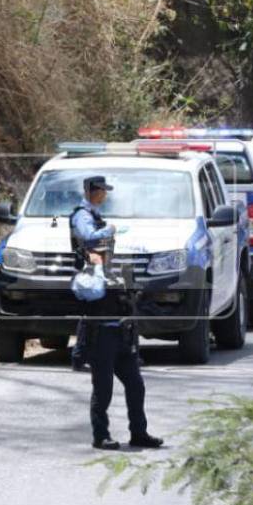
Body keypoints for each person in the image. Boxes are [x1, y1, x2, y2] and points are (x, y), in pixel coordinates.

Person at [70, 247, 162, 452]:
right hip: (100, 338)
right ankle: (100, 436)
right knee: (103, 391)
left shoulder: (116, 274)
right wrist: (98, 267)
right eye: (101, 253)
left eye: (107, 252)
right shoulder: (83, 277)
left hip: (123, 337)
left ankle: (139, 433)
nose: (107, 255)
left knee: (136, 385)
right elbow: (95, 293)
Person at [69, 176, 117, 372]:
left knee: (94, 315)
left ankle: (84, 357)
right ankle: (80, 358)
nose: (105, 195)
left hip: (96, 268)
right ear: (93, 192)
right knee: (91, 315)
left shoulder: (92, 213)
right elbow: (88, 237)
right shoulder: (83, 215)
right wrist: (108, 230)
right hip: (88, 269)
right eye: (102, 191)